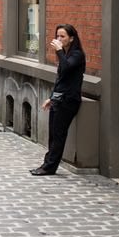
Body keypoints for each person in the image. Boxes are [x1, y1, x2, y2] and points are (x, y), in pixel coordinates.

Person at [31, 24, 86, 176]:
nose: (59, 39)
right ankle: (47, 164)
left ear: (71, 38)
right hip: (59, 99)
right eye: (57, 36)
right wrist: (51, 98)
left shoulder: (77, 54)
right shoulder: (66, 55)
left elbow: (67, 68)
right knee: (53, 134)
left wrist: (60, 51)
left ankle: (50, 167)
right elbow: (60, 80)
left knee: (59, 134)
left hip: (69, 101)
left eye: (63, 36)